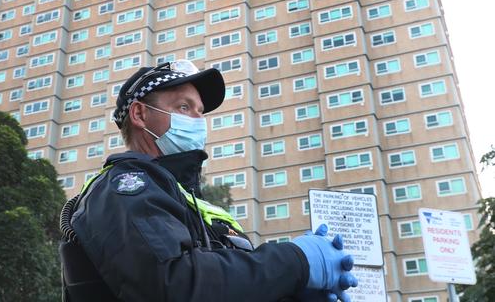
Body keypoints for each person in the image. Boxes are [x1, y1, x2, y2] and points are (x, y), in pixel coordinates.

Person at [59, 60, 357, 301]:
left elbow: (225, 286)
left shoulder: (195, 205)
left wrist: (290, 290)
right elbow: (175, 284)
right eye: (184, 107)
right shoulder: (124, 187)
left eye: (200, 112)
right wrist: (295, 263)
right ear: (140, 114)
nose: (198, 121)